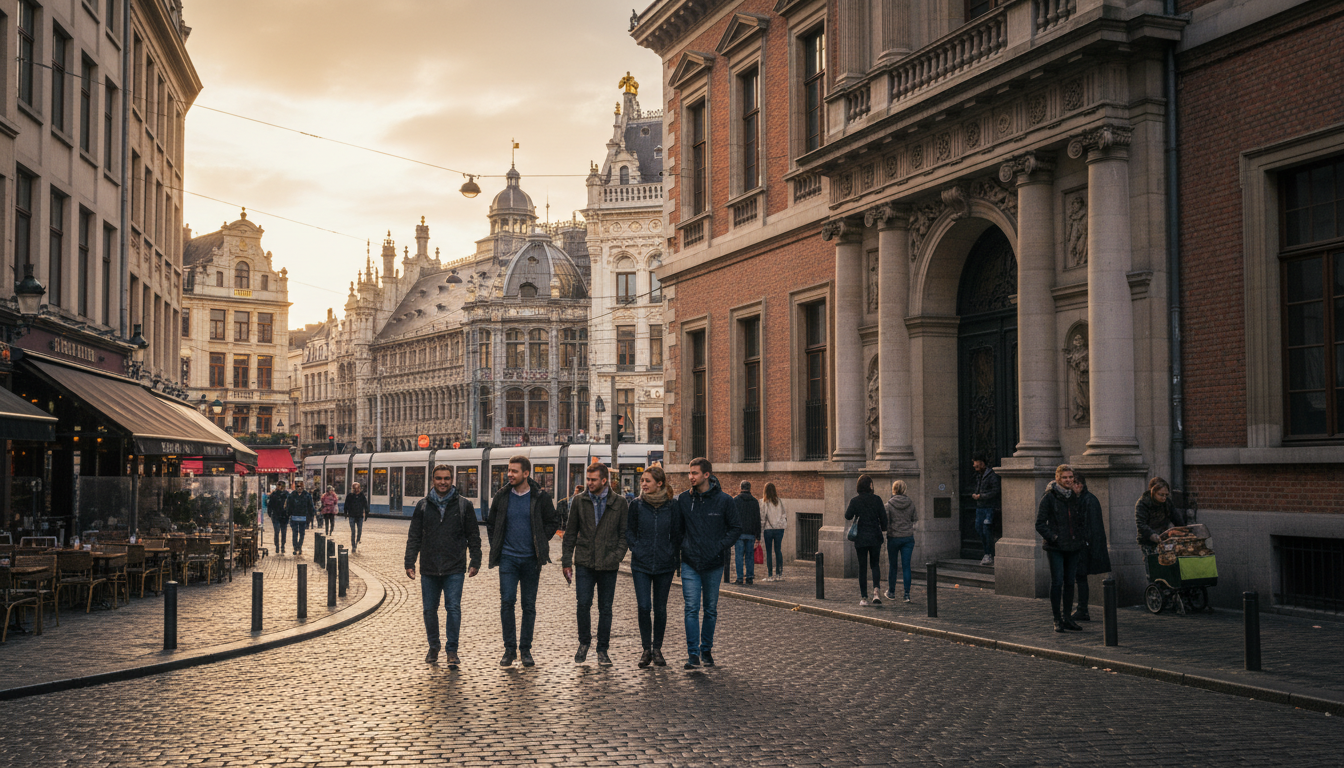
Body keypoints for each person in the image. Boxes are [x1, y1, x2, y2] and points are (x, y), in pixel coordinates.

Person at [485, 454, 559, 668]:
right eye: (509, 470)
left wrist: (539, 541)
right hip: (508, 559)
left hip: (530, 560)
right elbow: (491, 524)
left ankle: (525, 650)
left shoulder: (540, 497)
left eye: (514, 471)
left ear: (526, 473)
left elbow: (552, 521)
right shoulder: (502, 496)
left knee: (529, 606)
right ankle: (509, 650)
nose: (509, 474)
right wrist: (497, 545)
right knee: (507, 603)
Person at [405, 465, 481, 667]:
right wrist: (409, 562)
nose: (443, 482)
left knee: (453, 608)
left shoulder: (464, 506)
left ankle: (452, 651)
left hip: (454, 567)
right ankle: (434, 646)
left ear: (452, 479)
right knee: (429, 610)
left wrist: (475, 560)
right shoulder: (422, 506)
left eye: (446, 478)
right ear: (433, 480)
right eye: (439, 478)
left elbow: (473, 535)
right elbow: (414, 536)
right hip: (429, 567)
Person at [675, 457, 740, 670]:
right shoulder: (684, 500)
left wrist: (719, 546)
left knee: (710, 609)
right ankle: (692, 654)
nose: (690, 477)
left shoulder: (725, 500)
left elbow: (735, 528)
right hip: (690, 562)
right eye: (689, 473)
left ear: (707, 475)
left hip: (714, 563)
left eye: (694, 473)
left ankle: (706, 650)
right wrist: (683, 548)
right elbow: (678, 530)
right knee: (691, 608)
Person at [562, 463, 629, 667]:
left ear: (603, 480)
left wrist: (616, 556)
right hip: (585, 561)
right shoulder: (579, 501)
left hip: (609, 563)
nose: (588, 483)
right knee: (583, 604)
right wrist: (566, 562)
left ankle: (603, 649)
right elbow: (570, 533)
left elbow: (624, 535)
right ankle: (584, 643)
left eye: (592, 480)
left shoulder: (619, 502)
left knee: (605, 608)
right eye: (587, 479)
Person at [627, 466, 678, 668]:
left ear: (660, 483)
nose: (644, 484)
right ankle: (646, 648)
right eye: (642, 481)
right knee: (644, 606)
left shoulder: (672, 506)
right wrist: (637, 548)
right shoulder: (636, 505)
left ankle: (657, 649)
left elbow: (677, 533)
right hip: (641, 563)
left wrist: (670, 551)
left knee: (660, 609)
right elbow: (629, 531)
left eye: (648, 481)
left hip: (665, 564)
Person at [1036, 464, 1085, 633]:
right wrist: (1054, 537)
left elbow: (1080, 521)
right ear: (1057, 478)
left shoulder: (1075, 497)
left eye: (1071, 477)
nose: (1069, 480)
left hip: (1073, 546)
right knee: (1057, 582)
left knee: (1070, 583)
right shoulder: (1049, 497)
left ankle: (1068, 618)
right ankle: (1057, 619)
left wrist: (1081, 538)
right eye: (1065, 477)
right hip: (1056, 547)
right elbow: (1040, 524)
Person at [1071, 472, 1111, 622]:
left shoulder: (1089, 500)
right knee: (1078, 577)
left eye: (1073, 483)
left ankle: (1082, 609)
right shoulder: (1078, 499)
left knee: (1080, 577)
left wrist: (1087, 544)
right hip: (1079, 545)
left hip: (1084, 546)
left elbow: (1093, 527)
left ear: (1079, 485)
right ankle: (1081, 608)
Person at [845, 474, 887, 606]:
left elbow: (847, 516)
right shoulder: (877, 499)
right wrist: (882, 528)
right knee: (875, 564)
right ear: (870, 486)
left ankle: (864, 597)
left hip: (861, 538)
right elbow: (884, 520)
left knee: (862, 567)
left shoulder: (855, 501)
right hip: (875, 536)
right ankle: (876, 592)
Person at [884, 480, 917, 603]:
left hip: (893, 538)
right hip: (908, 538)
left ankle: (891, 592)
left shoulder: (888, 505)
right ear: (904, 489)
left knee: (893, 566)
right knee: (906, 566)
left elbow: (886, 523)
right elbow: (915, 519)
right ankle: (907, 594)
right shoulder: (911, 503)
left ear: (894, 489)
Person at [1135, 477, 1184, 556]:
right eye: (1161, 494)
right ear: (1153, 492)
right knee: (1153, 562)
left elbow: (1176, 518)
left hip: (1164, 536)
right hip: (1148, 539)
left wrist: (1183, 531)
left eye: (1166, 494)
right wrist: (1153, 536)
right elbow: (1141, 525)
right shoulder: (1143, 504)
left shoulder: (1167, 502)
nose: (1164, 497)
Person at [971, 454, 1001, 565]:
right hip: (980, 507)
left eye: (976, 463)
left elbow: (995, 491)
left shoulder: (991, 475)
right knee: (979, 529)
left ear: (982, 463)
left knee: (986, 530)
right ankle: (987, 553)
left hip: (989, 507)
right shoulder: (978, 475)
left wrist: (981, 496)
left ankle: (989, 554)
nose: (974, 466)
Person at [733, 481, 761, 585]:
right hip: (751, 533)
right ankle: (749, 577)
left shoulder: (735, 500)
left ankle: (739, 578)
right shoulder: (754, 501)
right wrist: (758, 536)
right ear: (750, 488)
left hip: (739, 533)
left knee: (739, 556)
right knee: (750, 557)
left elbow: (732, 518)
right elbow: (757, 519)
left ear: (740, 488)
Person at [760, 483, 787, 582]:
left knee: (769, 552)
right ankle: (779, 574)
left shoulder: (763, 502)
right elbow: (784, 514)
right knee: (778, 550)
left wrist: (761, 531)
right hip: (779, 528)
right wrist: (781, 524)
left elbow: (762, 518)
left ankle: (770, 575)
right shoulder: (779, 501)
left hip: (768, 529)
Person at [286, 479, 315, 557]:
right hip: (294, 517)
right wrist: (288, 514)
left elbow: (310, 506)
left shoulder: (307, 495)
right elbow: (289, 506)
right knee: (295, 533)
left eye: (300, 486)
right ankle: (295, 547)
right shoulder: (292, 495)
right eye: (298, 486)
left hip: (303, 517)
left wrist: (311, 515)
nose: (299, 488)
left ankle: (299, 546)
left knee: (302, 533)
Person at [345, 481, 369, 553]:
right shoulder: (350, 496)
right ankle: (353, 546)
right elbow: (346, 505)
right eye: (355, 488)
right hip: (352, 515)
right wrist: (345, 513)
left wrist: (366, 514)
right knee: (353, 531)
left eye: (357, 488)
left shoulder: (362, 496)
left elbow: (365, 505)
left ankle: (357, 540)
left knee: (359, 530)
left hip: (360, 516)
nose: (356, 490)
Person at [267, 481, 290, 555]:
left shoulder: (287, 494)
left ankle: (283, 546)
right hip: (276, 515)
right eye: (278, 485)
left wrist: (289, 513)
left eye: (280, 485)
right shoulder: (274, 494)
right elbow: (270, 505)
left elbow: (290, 504)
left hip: (284, 516)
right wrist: (270, 513)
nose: (279, 487)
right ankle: (277, 546)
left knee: (283, 532)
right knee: (276, 531)